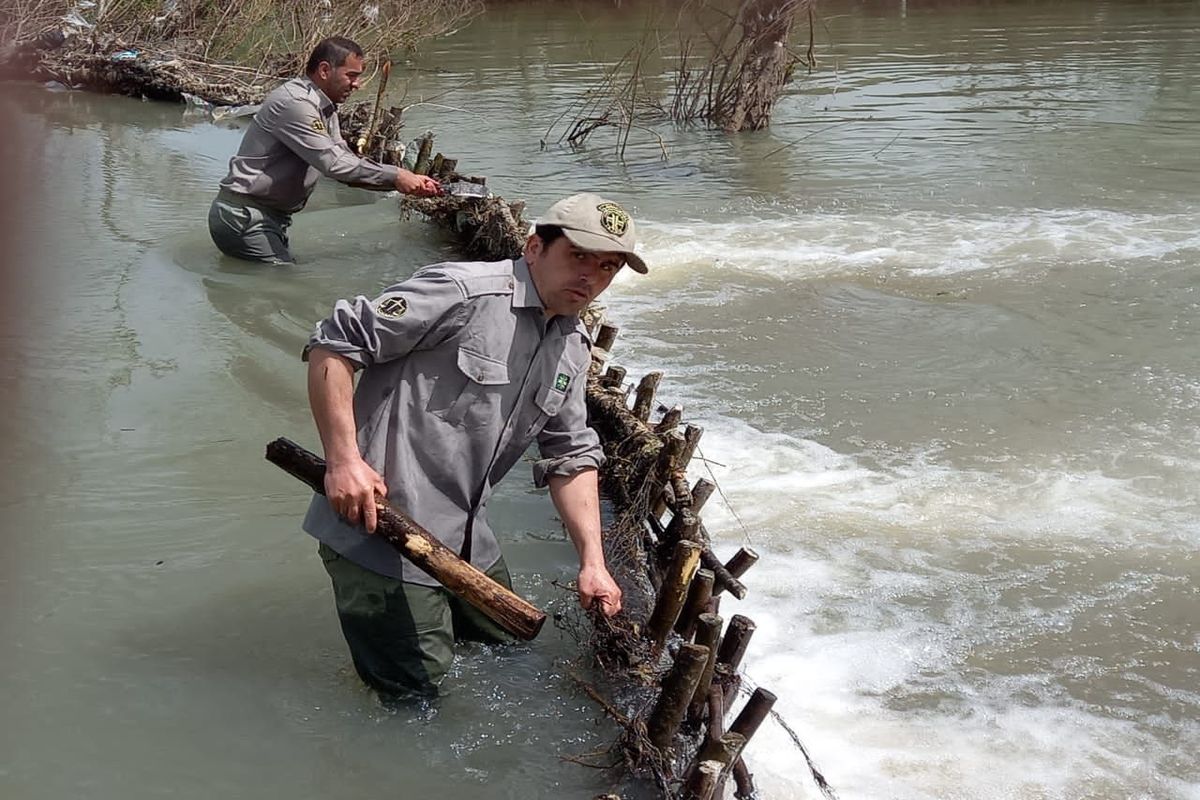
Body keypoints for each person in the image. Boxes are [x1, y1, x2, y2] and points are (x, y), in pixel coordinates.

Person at [301, 192, 648, 696]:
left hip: (467, 537)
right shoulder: (462, 294)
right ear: (534, 247)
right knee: (415, 696)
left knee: (510, 648)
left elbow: (571, 455)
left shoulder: (570, 346)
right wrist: (343, 460)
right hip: (383, 530)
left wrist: (592, 562)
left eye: (608, 267)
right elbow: (334, 345)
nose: (590, 277)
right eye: (578, 256)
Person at [208, 36, 440, 265]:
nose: (357, 84)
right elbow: (334, 165)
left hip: (262, 217)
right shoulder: (296, 104)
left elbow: (344, 160)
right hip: (246, 217)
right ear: (325, 70)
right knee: (282, 290)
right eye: (351, 75)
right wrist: (397, 175)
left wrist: (403, 181)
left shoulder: (324, 107)